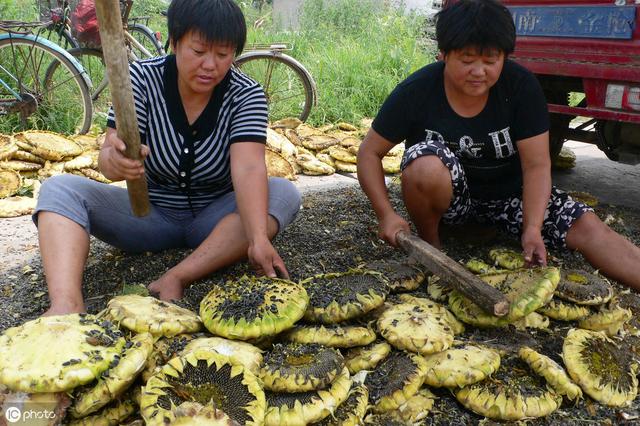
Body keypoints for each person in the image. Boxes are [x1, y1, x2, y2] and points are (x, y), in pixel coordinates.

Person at [34, 0, 301, 315]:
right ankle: (65, 306)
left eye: (223, 54)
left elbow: (248, 167)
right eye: (199, 51)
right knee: (59, 190)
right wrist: (115, 161)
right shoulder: (138, 80)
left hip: (217, 222)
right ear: (174, 42)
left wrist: (257, 238)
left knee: (284, 193)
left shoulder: (247, 95)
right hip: (148, 217)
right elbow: (107, 159)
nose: (210, 65)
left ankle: (177, 275)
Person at [357, 0, 640, 292]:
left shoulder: (521, 88)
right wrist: (386, 214)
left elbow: (537, 165)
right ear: (443, 54)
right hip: (453, 205)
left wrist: (532, 228)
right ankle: (432, 246)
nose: (479, 71)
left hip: (510, 198)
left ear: (505, 56)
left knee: (589, 227)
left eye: (491, 61)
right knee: (424, 164)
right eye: (467, 60)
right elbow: (369, 152)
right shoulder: (416, 91)